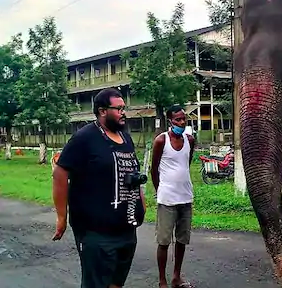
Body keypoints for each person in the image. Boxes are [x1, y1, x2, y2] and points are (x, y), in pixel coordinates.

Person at [52, 88, 146, 288]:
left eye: (124, 108)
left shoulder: (126, 138)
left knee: (116, 284)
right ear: (102, 111)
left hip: (127, 230)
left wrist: (142, 206)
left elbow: (133, 175)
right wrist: (62, 216)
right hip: (95, 233)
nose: (123, 112)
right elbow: (60, 173)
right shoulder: (85, 138)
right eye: (118, 108)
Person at [151, 105, 195, 288]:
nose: (182, 123)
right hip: (167, 199)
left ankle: (176, 277)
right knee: (164, 241)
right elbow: (154, 169)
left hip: (186, 197)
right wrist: (159, 189)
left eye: (184, 119)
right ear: (170, 121)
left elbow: (187, 162)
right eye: (178, 120)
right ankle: (162, 280)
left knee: (182, 240)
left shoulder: (190, 140)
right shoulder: (161, 141)